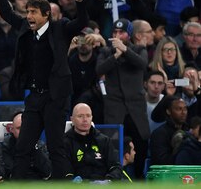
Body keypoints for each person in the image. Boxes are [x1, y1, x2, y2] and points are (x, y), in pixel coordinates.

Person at [0, 0, 88, 179]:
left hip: (56, 98)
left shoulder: (60, 28)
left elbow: (82, 22)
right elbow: (7, 13)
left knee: (56, 148)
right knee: (23, 147)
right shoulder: (26, 28)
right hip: (34, 97)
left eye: (33, 12)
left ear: (46, 15)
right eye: (27, 12)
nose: (29, 16)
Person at [96, 18, 149, 178]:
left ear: (129, 34)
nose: (118, 35)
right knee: (113, 150)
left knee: (140, 148)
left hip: (135, 110)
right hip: (115, 109)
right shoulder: (106, 51)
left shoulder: (139, 49)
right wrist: (116, 56)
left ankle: (139, 181)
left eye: (122, 32)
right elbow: (99, 69)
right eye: (115, 32)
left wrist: (125, 50)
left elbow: (142, 64)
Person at [63, 103, 122, 180]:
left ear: (92, 118)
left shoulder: (104, 141)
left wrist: (109, 180)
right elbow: (63, 170)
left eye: (88, 116)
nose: (85, 120)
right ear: (72, 119)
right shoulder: (65, 143)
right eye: (80, 116)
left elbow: (116, 167)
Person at [1, 111, 51, 180]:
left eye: (26, 127)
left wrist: (34, 147)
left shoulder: (39, 145)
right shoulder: (6, 146)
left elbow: (47, 172)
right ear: (12, 129)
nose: (23, 131)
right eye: (19, 128)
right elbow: (11, 174)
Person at [150, 96, 189, 165]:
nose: (183, 112)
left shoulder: (190, 130)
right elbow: (160, 161)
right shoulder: (159, 134)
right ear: (168, 111)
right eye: (179, 109)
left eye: (185, 109)